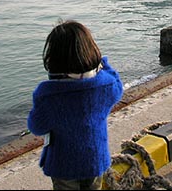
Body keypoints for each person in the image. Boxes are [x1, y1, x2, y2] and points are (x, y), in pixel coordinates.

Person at [27, 20, 123, 190]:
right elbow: (117, 86)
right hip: (95, 159)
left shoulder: (48, 94)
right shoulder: (106, 85)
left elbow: (37, 127)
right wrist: (104, 63)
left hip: (63, 165)